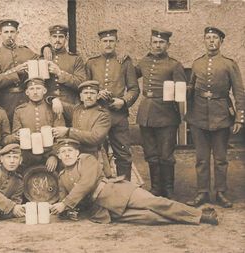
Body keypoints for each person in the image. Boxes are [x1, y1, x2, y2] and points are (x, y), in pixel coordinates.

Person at [50, 139, 219, 226]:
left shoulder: (87, 160)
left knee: (156, 203)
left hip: (118, 192)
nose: (66, 154)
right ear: (58, 156)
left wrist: (65, 204)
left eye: (70, 151)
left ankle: (201, 215)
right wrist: (65, 210)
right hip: (104, 209)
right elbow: (63, 198)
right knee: (150, 217)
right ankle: (184, 219)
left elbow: (85, 184)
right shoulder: (61, 176)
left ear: (77, 152)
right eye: (63, 152)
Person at [185, 27, 245, 208]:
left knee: (220, 158)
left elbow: (239, 92)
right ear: (204, 41)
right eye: (208, 38)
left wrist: (239, 117)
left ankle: (220, 192)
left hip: (221, 116)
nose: (211, 41)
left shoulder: (229, 64)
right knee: (201, 158)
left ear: (221, 41)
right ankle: (202, 193)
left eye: (215, 38)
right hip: (198, 117)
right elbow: (191, 87)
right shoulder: (197, 64)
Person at [135, 29, 187, 198]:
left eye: (161, 42)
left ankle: (169, 189)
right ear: (150, 44)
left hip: (166, 115)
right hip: (146, 114)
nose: (157, 45)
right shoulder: (143, 62)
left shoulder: (174, 64)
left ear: (168, 45)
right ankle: (156, 188)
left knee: (166, 155)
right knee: (151, 153)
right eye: (155, 42)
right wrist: (123, 61)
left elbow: (181, 91)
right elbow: (129, 76)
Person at [85, 28, 139, 180]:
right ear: (99, 43)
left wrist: (123, 101)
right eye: (105, 41)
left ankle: (125, 190)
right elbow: (84, 88)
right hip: (97, 114)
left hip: (118, 116)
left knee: (123, 153)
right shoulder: (91, 63)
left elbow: (134, 89)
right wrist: (96, 94)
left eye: (111, 41)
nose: (108, 44)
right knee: (93, 152)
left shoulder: (125, 62)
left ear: (116, 42)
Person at [51, 80, 112, 177]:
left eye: (92, 93)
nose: (88, 96)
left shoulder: (103, 114)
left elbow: (95, 138)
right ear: (81, 97)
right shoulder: (77, 109)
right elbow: (60, 104)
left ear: (97, 96)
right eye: (85, 93)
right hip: (75, 155)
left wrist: (68, 131)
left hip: (93, 155)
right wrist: (55, 100)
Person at [0, 19, 39, 125]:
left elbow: (42, 62)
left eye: (12, 32)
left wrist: (46, 47)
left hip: (26, 99)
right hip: (6, 101)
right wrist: (16, 72)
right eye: (6, 32)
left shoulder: (26, 52)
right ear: (0, 34)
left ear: (17, 33)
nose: (9, 35)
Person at [12, 78, 65, 172]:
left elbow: (61, 136)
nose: (35, 92)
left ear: (44, 91)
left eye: (38, 88)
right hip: (27, 156)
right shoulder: (19, 110)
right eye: (32, 89)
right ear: (27, 92)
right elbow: (16, 134)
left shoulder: (53, 108)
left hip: (49, 153)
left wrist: (54, 155)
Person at [42, 24, 86, 106]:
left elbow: (81, 84)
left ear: (66, 38)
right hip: (47, 103)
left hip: (69, 103)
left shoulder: (75, 59)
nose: (57, 40)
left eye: (61, 37)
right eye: (54, 36)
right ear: (50, 39)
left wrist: (59, 73)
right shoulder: (42, 58)